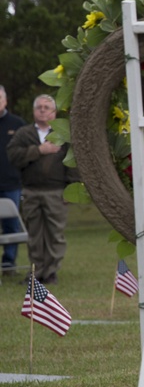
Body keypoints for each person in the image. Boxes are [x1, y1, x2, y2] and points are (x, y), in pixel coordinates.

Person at [7, 94, 78, 284]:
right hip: (31, 191)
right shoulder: (24, 133)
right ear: (33, 111)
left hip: (56, 192)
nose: (43, 110)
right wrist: (39, 151)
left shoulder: (64, 134)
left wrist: (70, 190)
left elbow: (74, 162)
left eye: (47, 107)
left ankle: (51, 271)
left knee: (55, 234)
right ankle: (36, 272)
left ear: (54, 112)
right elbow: (13, 155)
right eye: (39, 107)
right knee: (35, 234)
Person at [0, 85, 27, 276]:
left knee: (12, 226)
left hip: (11, 184)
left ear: (5, 101)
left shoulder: (17, 124)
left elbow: (25, 155)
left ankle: (9, 263)